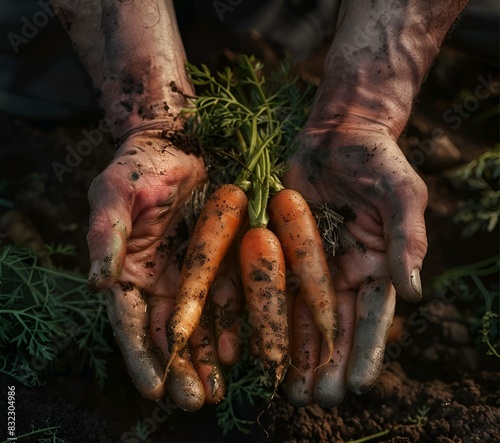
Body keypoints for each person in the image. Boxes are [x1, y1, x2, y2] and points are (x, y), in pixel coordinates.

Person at [44, 0, 470, 411]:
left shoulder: (276, 210)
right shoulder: (235, 202)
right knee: (37, 70)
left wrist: (364, 110)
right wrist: (151, 116)